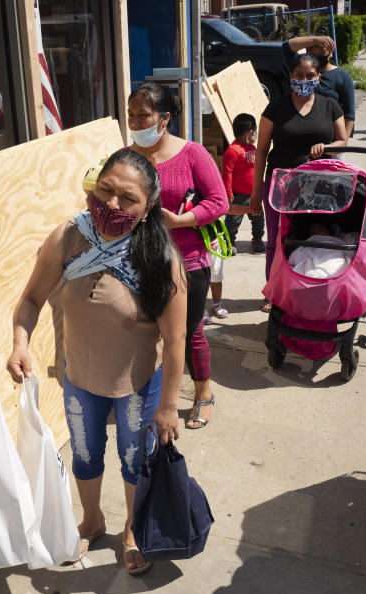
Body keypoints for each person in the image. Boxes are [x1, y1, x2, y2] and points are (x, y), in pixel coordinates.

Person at [7, 149, 186, 576]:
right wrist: (20, 342)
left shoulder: (161, 260)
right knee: (85, 454)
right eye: (105, 190)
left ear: (147, 209)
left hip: (136, 386)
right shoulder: (69, 236)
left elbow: (176, 340)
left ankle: (131, 527)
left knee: (133, 459)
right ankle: (93, 519)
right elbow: (31, 299)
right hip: (80, 379)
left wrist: (169, 405)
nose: (112, 205)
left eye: (128, 199)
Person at [126, 83, 227, 429]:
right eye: (131, 116)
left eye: (143, 116)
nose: (136, 123)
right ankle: (153, 393)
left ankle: (203, 393)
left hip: (188, 261)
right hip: (141, 260)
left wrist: (180, 220)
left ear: (165, 118)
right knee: (147, 330)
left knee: (187, 333)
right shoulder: (129, 156)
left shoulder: (193, 154)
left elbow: (218, 202)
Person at [250, 53, 349, 305]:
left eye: (309, 76)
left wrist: (325, 147)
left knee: (311, 235)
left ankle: (306, 287)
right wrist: (256, 189)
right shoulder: (276, 108)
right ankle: (273, 291)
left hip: (320, 186)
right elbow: (261, 150)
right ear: (290, 76)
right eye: (298, 75)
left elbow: (342, 142)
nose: (303, 80)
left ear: (319, 78)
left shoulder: (330, 105)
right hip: (281, 185)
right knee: (277, 239)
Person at [280, 35, 355, 142]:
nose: (317, 57)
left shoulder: (342, 76)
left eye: (321, 53)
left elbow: (349, 115)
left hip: (329, 141)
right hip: (299, 137)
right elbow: (286, 47)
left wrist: (341, 143)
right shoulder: (300, 69)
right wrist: (315, 40)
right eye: (312, 54)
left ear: (331, 53)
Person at [222, 113, 264, 254]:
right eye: (254, 130)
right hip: (238, 195)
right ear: (248, 132)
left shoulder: (252, 148)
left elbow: (256, 170)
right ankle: (229, 242)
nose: (255, 134)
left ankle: (257, 239)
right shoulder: (233, 151)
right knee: (233, 221)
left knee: (258, 219)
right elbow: (226, 173)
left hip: (254, 194)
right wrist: (228, 193)